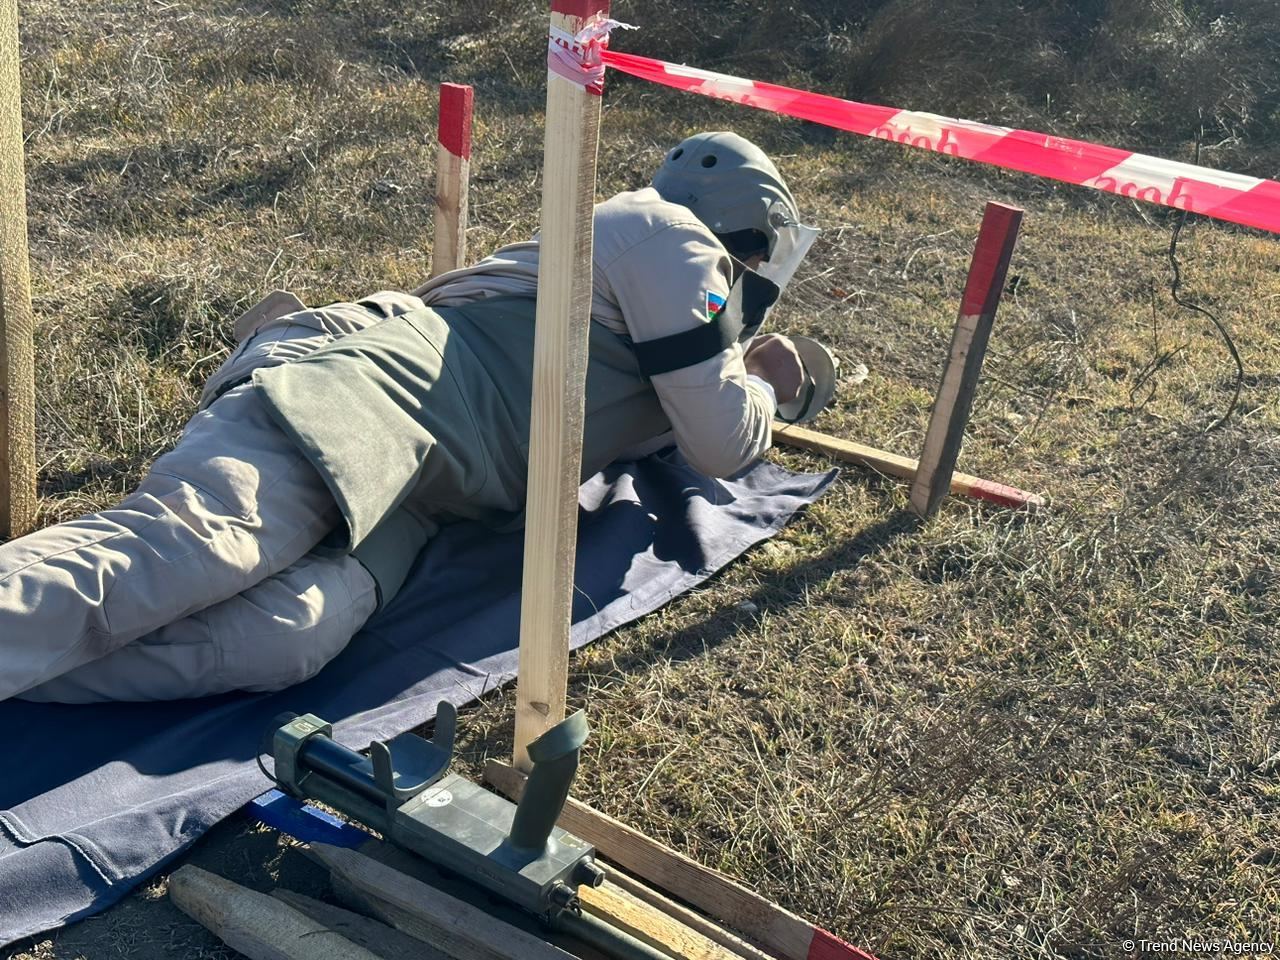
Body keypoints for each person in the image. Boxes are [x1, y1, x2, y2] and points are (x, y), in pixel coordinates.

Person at [0, 131, 818, 704]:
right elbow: (721, 441)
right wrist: (770, 386)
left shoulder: (654, 309)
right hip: (368, 405)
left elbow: (683, 417)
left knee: (285, 639)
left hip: (421, 489)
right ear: (742, 237)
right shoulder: (664, 234)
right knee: (181, 557)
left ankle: (23, 671)